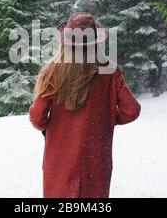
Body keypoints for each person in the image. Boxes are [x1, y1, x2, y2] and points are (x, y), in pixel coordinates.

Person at [29, 12, 141, 198]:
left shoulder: (52, 71)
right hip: (96, 161)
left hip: (60, 161)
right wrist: (105, 119)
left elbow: (37, 117)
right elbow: (132, 110)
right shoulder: (110, 72)